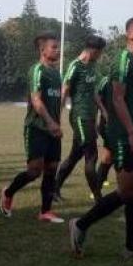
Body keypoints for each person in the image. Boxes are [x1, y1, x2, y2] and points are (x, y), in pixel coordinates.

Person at [68, 17, 133, 260]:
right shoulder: (122, 59)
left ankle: (132, 247)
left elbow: (131, 102)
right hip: (123, 136)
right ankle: (81, 224)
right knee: (128, 191)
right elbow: (117, 99)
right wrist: (130, 132)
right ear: (130, 34)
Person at [0, 32, 64, 224]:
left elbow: (57, 102)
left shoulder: (56, 74)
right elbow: (36, 101)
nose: (58, 50)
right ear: (42, 50)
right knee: (35, 170)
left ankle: (45, 211)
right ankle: (8, 193)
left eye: (58, 46)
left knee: (52, 168)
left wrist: (57, 124)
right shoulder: (37, 70)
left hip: (53, 130)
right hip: (36, 127)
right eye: (54, 47)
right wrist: (50, 122)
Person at [54, 35, 107, 201]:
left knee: (75, 156)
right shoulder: (75, 66)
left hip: (90, 117)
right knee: (91, 155)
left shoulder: (93, 65)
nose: (101, 55)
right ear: (93, 50)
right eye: (100, 52)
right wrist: (57, 117)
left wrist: (104, 111)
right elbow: (64, 91)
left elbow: (94, 93)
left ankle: (54, 189)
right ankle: (98, 197)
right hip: (80, 116)